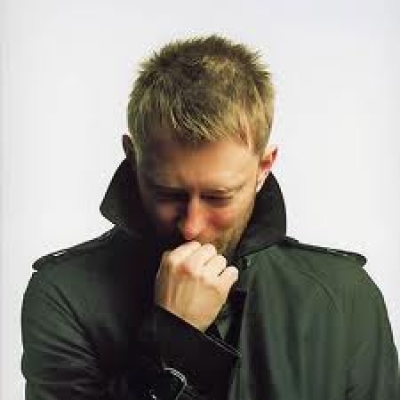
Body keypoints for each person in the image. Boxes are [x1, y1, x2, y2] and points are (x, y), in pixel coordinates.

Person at [21, 35, 399, 400]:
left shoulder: (344, 296)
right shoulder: (65, 296)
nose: (191, 226)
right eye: (169, 194)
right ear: (133, 158)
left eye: (219, 197)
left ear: (264, 167)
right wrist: (174, 349)